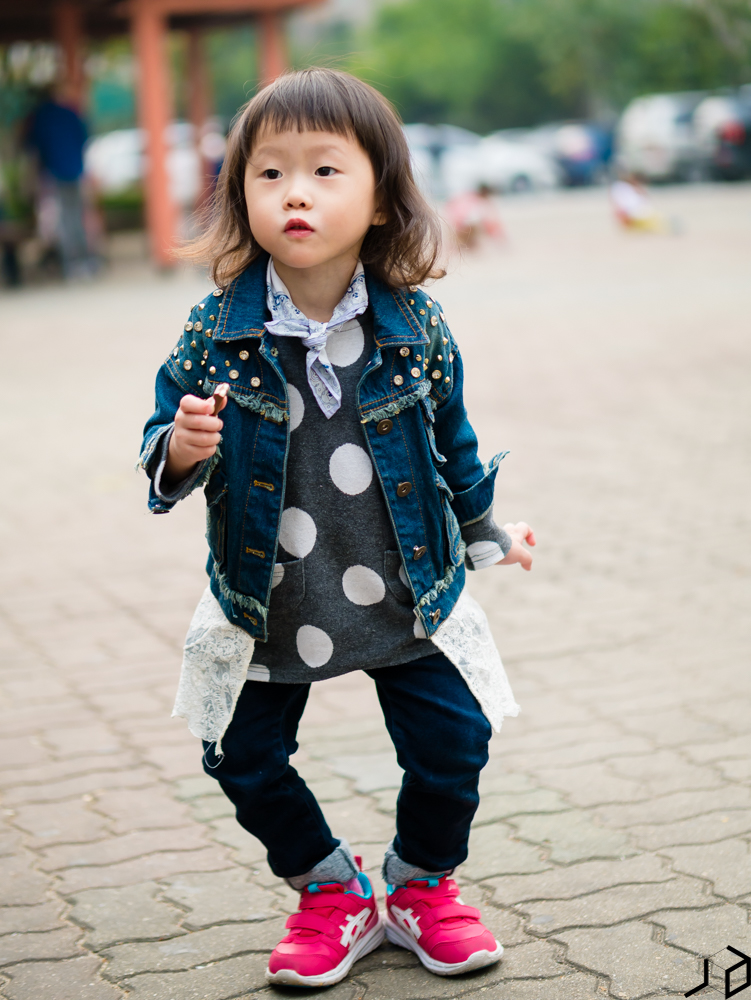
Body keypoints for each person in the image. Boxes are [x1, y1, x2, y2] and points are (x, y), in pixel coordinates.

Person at [139, 68, 535, 989]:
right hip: (268, 598)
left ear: (381, 199)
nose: (296, 194)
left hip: (405, 591)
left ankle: (420, 885)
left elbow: (452, 444)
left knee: (453, 744)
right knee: (239, 753)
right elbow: (159, 448)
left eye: (324, 171)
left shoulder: (417, 327)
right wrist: (183, 448)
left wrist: (488, 534)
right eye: (269, 174)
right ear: (240, 196)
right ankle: (330, 890)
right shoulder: (213, 333)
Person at [26, 88, 97, 277]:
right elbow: (84, 136)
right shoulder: (69, 113)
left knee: (64, 219)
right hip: (76, 169)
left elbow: (34, 145)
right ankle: (86, 260)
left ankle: (71, 263)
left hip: (55, 173)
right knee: (78, 216)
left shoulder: (41, 117)